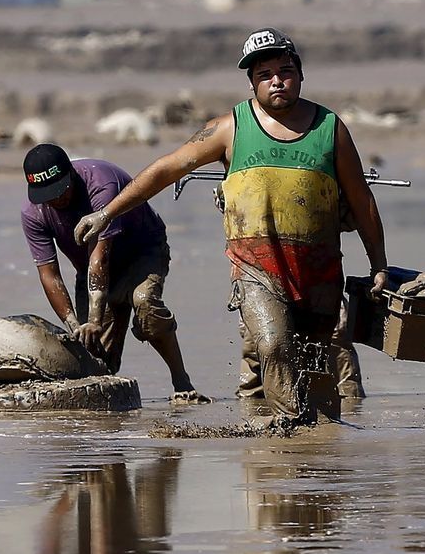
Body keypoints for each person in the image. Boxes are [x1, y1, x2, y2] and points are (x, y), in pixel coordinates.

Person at [77, 28, 388, 424]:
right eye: (265, 74)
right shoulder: (230, 128)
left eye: (286, 71)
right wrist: (107, 213)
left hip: (318, 272)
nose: (277, 80)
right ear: (252, 82)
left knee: (316, 368)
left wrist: (378, 262)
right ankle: (289, 442)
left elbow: (361, 200)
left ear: (301, 75)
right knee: (274, 346)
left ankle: (321, 460)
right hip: (257, 270)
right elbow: (168, 168)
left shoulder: (331, 128)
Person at [19, 143, 208, 404]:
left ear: (71, 174)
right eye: (48, 195)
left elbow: (101, 254)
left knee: (145, 304)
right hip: (89, 269)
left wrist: (95, 317)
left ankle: (181, 379)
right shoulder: (33, 213)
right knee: (92, 355)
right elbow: (49, 274)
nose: (56, 200)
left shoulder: (100, 182)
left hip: (142, 251)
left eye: (61, 191)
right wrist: (75, 323)